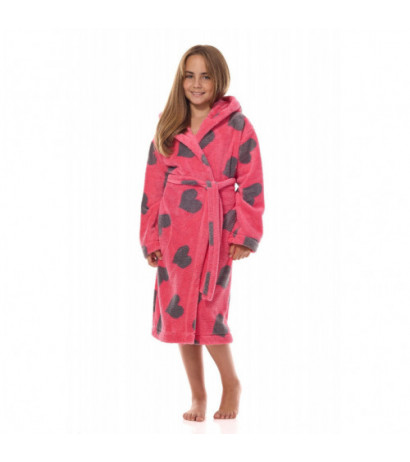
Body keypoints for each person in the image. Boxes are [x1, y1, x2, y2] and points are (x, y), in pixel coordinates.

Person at [139, 45, 265, 421]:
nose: (197, 84)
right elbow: (152, 188)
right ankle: (198, 396)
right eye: (190, 76)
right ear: (181, 80)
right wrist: (150, 238)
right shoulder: (170, 125)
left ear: (218, 79)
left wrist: (244, 233)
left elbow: (252, 183)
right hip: (175, 232)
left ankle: (231, 384)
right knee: (180, 313)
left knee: (209, 311)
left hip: (216, 232)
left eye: (205, 76)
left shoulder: (238, 125)